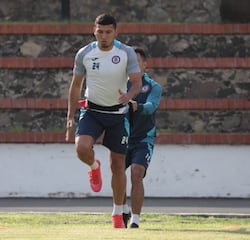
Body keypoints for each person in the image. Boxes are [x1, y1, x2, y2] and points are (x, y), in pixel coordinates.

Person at [65, 13, 142, 228]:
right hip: (92, 111)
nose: (104, 36)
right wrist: (70, 115)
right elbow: (76, 85)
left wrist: (128, 96)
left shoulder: (126, 53)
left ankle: (117, 214)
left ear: (115, 32)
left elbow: (136, 83)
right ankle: (93, 165)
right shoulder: (85, 54)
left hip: (117, 115)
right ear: (94, 30)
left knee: (118, 165)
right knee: (81, 148)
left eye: (108, 32)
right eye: (100, 32)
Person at [122, 46, 162, 228]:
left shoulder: (153, 87)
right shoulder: (121, 85)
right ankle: (122, 209)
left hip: (143, 140)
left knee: (136, 173)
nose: (134, 66)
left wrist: (137, 105)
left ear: (145, 64)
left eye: (137, 62)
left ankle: (135, 220)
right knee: (117, 174)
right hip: (122, 138)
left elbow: (151, 106)